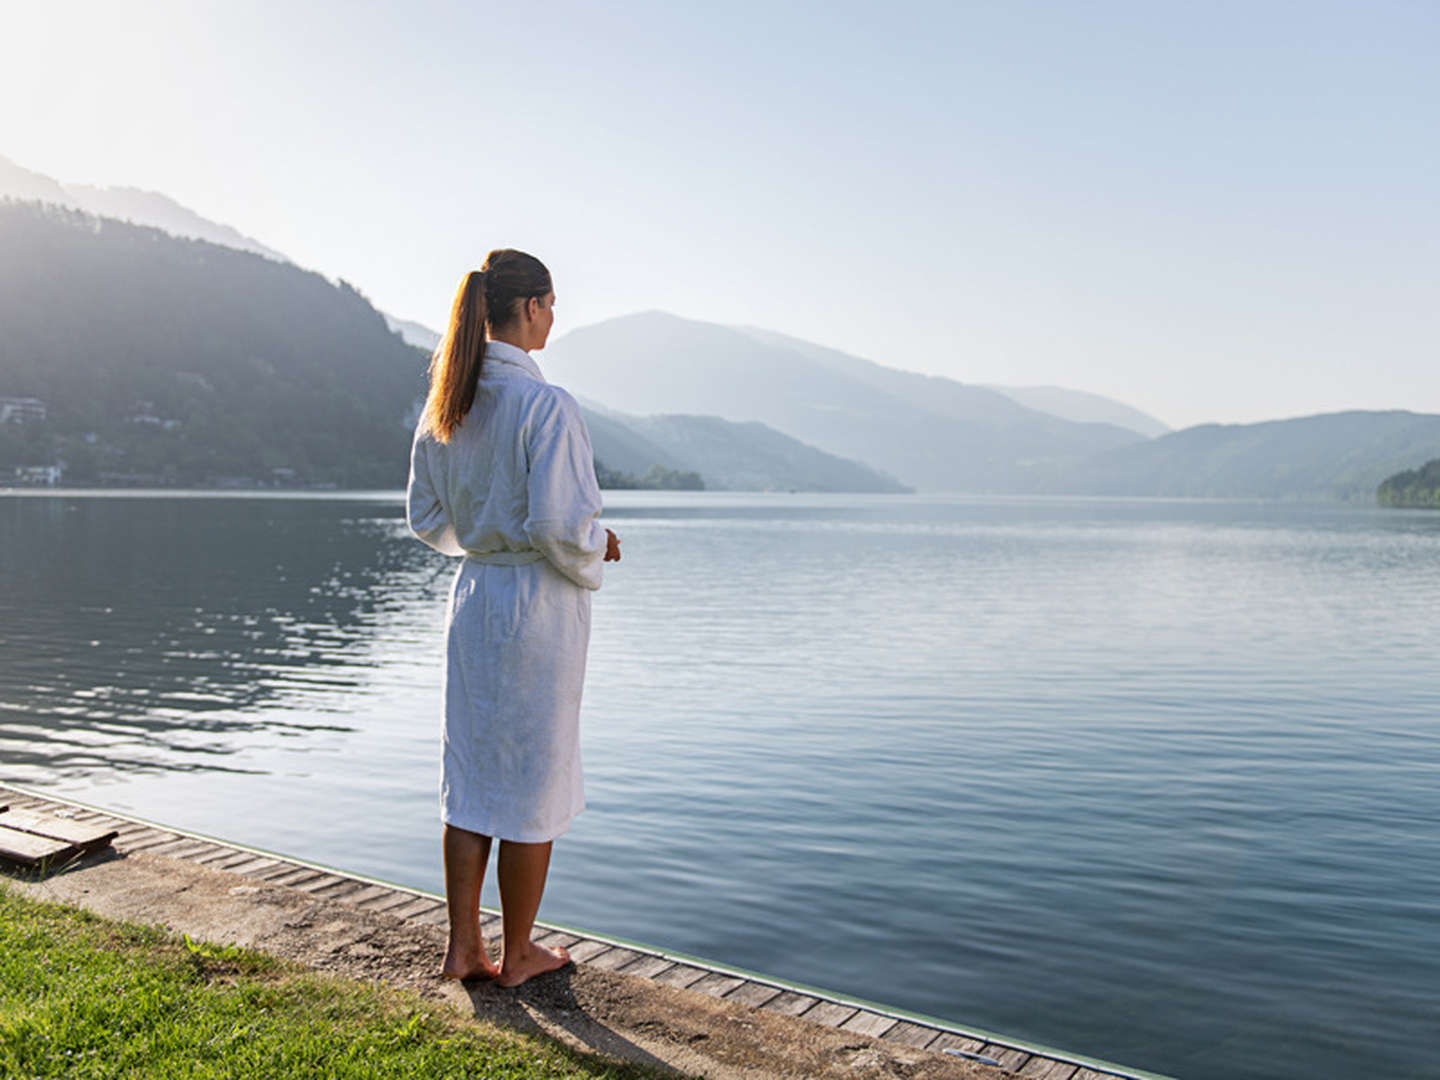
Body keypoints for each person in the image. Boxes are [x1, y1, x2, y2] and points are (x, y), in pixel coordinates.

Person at [406, 249, 620, 988]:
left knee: (469, 777)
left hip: (474, 604)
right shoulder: (544, 405)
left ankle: (463, 947)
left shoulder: (447, 404)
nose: (554, 318)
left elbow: (425, 517)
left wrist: (485, 540)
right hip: (536, 614)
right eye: (552, 304)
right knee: (534, 779)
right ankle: (519, 951)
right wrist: (598, 546)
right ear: (530, 307)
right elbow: (564, 528)